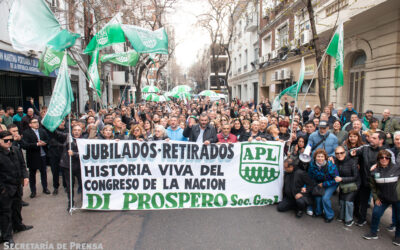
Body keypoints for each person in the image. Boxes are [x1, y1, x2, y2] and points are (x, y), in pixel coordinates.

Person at [0, 131, 33, 245]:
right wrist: (2, 189)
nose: (9, 142)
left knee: (17, 207)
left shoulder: (16, 150)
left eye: (11, 140)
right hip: (5, 189)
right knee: (6, 213)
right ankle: (6, 236)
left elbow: (23, 165)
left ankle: (18, 225)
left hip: (17, 186)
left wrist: (25, 177)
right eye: (6, 140)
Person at [363, 150, 400, 246]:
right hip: (383, 198)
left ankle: (398, 237)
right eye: (381, 158)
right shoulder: (374, 171)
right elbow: (373, 186)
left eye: (386, 157)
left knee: (399, 218)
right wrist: (376, 197)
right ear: (378, 159)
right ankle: (373, 232)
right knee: (375, 213)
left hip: (397, 198)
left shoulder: (397, 168)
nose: (384, 159)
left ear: (389, 159)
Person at [350, 131, 387, 226]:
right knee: (363, 200)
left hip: (378, 182)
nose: (371, 139)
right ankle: (362, 219)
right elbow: (354, 150)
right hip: (365, 179)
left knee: (377, 203)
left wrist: (377, 164)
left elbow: (391, 164)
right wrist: (352, 152)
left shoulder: (386, 151)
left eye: (374, 138)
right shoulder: (365, 147)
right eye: (371, 137)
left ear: (381, 140)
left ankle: (375, 223)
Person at [307, 148, 339, 222]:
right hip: (319, 183)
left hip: (331, 183)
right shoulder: (312, 165)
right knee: (318, 196)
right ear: (315, 157)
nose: (320, 158)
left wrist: (324, 184)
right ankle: (318, 212)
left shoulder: (330, 165)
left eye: (322, 156)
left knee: (325, 198)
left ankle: (329, 215)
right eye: (318, 156)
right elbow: (310, 176)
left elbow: (336, 179)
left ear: (325, 157)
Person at [22, 118, 50, 198]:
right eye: (34, 122)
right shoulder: (26, 133)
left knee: (44, 173)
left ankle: (45, 188)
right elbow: (25, 145)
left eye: (37, 122)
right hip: (33, 157)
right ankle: (33, 191)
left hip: (43, 155)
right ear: (30, 124)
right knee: (32, 174)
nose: (36, 124)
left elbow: (48, 139)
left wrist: (45, 143)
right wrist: (37, 144)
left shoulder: (42, 131)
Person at [59, 125, 83, 212]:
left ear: (82, 131)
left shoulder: (84, 140)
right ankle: (71, 202)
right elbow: (56, 134)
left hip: (80, 166)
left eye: (78, 130)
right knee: (70, 186)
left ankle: (85, 200)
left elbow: (86, 153)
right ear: (72, 131)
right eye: (75, 130)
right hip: (68, 166)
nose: (76, 132)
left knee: (83, 184)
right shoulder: (67, 138)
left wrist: (74, 154)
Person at [334, 146, 359, 226]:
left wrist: (342, 179)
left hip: (353, 185)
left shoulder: (352, 162)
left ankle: (349, 219)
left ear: (345, 153)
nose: (339, 155)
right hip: (343, 185)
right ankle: (342, 216)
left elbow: (355, 177)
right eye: (337, 153)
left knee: (348, 201)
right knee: (341, 200)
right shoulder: (336, 161)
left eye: (341, 153)